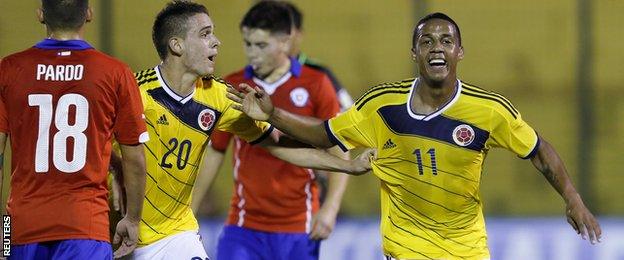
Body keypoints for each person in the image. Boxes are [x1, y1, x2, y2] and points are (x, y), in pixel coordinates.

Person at [227, 12, 602, 259]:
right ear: (414, 53)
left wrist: (573, 198)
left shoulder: (489, 110)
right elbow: (324, 135)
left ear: (459, 52)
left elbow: (538, 150)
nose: (436, 47)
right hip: (404, 249)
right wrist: (273, 114)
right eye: (427, 41)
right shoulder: (381, 104)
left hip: (466, 250)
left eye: (445, 41)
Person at [112, 1, 372, 259]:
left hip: (176, 233)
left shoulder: (222, 96)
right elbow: (90, 146)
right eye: (205, 34)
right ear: (177, 45)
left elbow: (279, 147)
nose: (216, 41)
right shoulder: (133, 92)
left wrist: (349, 166)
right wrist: (114, 167)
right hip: (122, 228)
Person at [196, 1, 349, 259]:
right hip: (243, 224)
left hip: (299, 225)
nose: (252, 54)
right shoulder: (233, 86)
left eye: (261, 45)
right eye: (248, 44)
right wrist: (190, 212)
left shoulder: (316, 84)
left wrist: (331, 208)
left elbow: (339, 147)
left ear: (285, 42)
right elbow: (216, 151)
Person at [0, 0, 149, 259]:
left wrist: (4, 231)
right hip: (86, 227)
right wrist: (132, 219)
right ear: (89, 15)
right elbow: (135, 159)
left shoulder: (10, 69)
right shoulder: (115, 73)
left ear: (40, 15)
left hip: (23, 227)